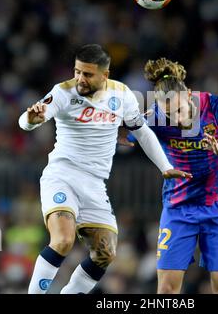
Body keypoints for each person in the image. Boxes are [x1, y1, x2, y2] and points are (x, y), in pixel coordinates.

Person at [18, 45, 192, 294]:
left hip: (95, 184)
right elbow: (27, 120)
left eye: (87, 74)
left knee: (105, 253)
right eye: (77, 71)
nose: (80, 79)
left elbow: (141, 132)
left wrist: (165, 167)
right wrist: (31, 120)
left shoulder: (122, 95)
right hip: (62, 176)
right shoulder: (63, 92)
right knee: (63, 241)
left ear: (105, 75)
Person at [121, 57, 218, 294]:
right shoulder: (155, 116)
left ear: (188, 94)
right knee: (166, 290)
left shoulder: (217, 107)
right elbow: (126, 137)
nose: (176, 119)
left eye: (179, 109)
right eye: (169, 114)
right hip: (178, 208)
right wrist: (120, 129)